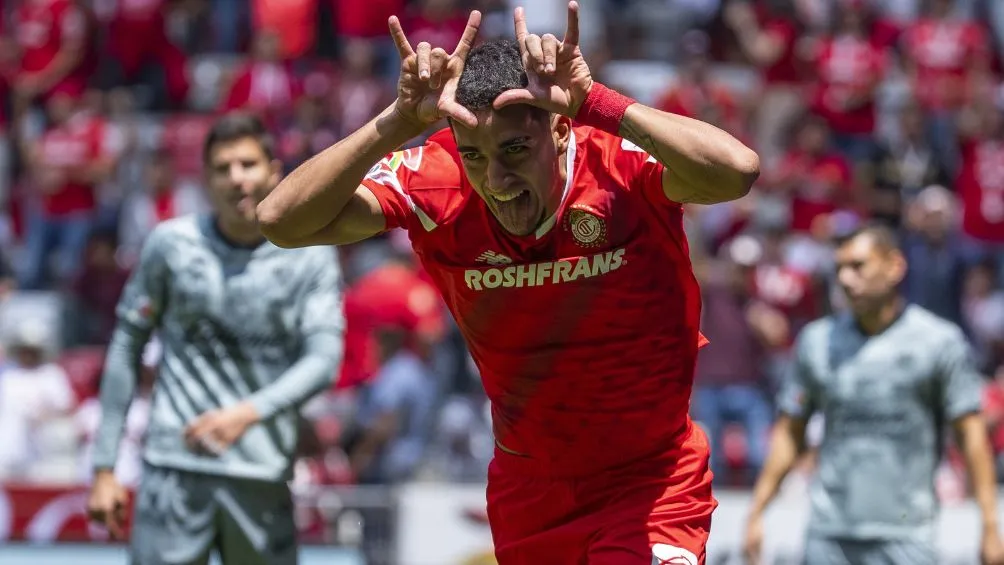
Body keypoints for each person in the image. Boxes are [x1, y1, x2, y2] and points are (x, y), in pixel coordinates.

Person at [257, 1, 758, 562]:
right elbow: (281, 221)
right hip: (529, 494)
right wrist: (396, 123)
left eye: (515, 150)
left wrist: (598, 101)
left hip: (652, 484)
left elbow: (737, 172)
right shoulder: (435, 177)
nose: (495, 179)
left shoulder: (616, 161)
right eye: (475, 154)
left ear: (562, 128)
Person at [85, 113, 345, 565]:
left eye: (247, 164)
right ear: (206, 179)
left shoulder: (310, 257)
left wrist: (248, 413)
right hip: (174, 470)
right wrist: (105, 467)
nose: (236, 179)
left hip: (261, 474)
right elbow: (127, 346)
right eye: (223, 168)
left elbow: (324, 360)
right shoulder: (170, 246)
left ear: (274, 172)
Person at [743, 224, 1004, 565]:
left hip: (907, 538)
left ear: (895, 267)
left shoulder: (939, 342)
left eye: (858, 266)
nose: (846, 280)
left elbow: (971, 437)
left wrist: (988, 524)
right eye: (839, 269)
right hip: (828, 536)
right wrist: (758, 510)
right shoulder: (817, 341)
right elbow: (790, 433)